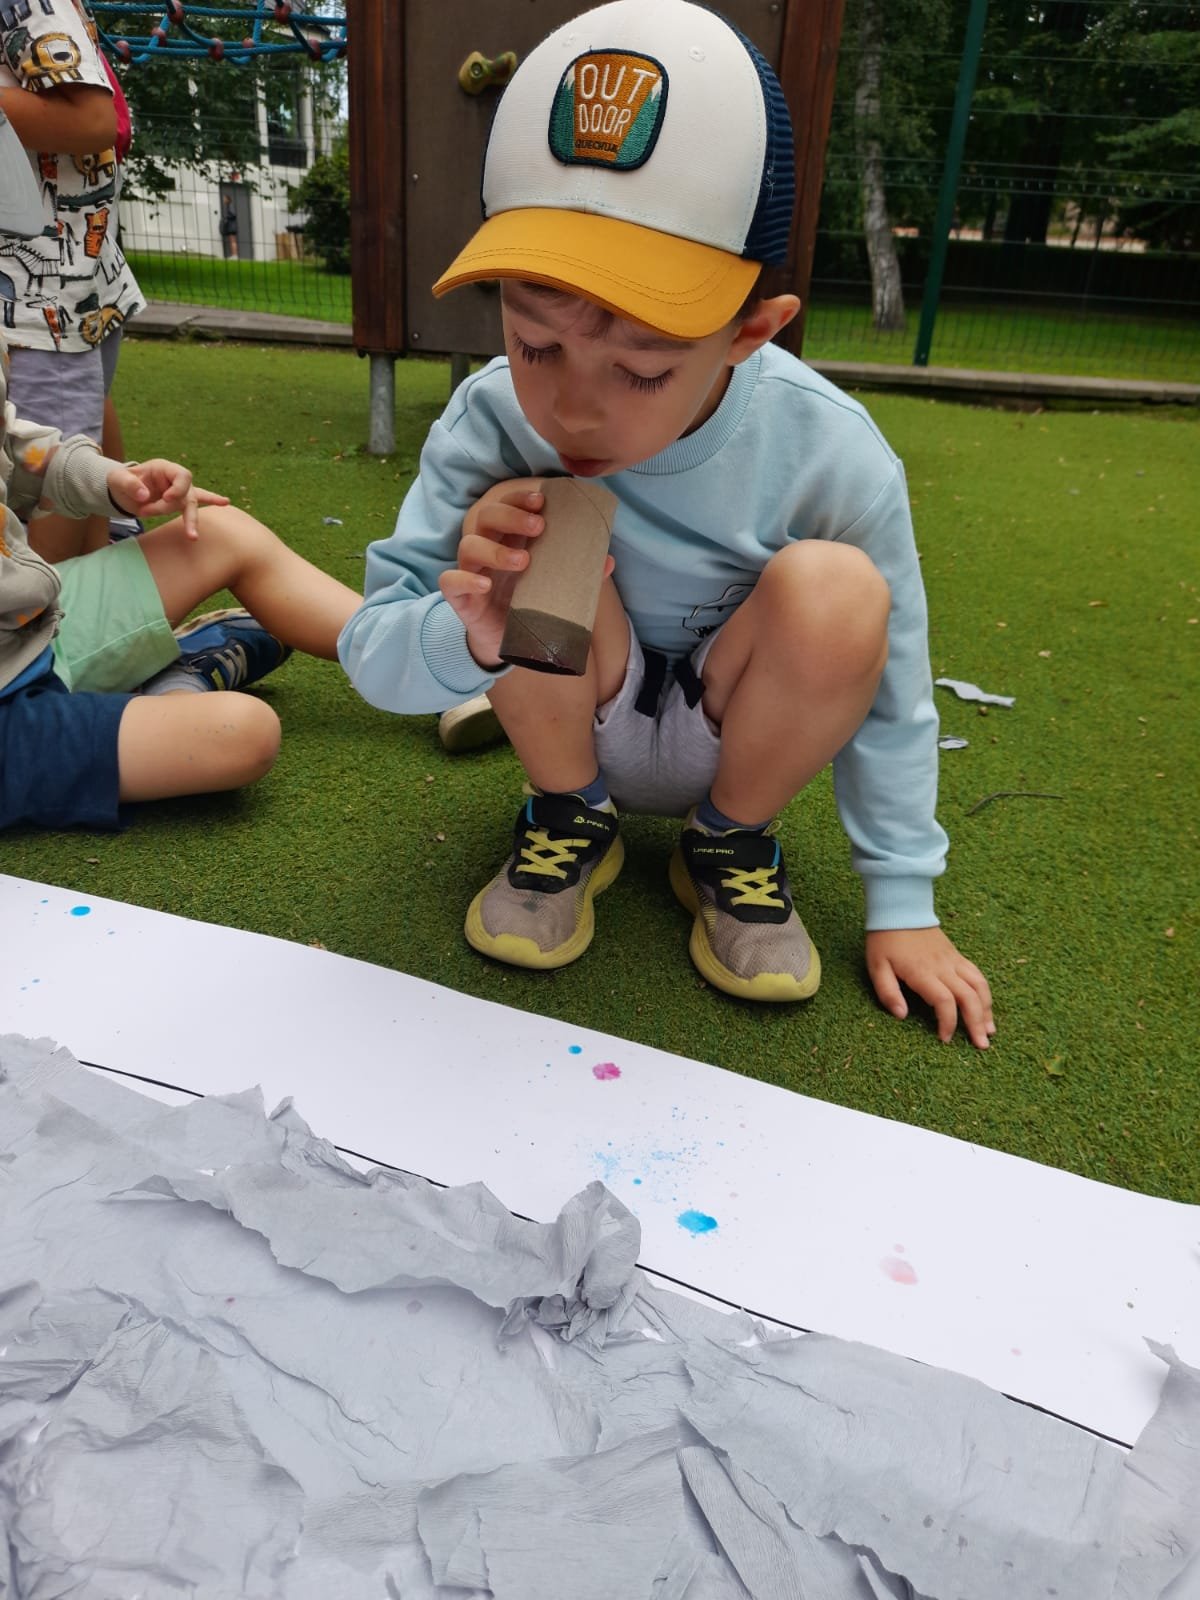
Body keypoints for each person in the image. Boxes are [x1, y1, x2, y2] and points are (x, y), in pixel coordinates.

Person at [338, 0, 995, 1048]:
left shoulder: (829, 447)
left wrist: (904, 899)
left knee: (839, 588)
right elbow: (373, 654)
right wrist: (469, 633)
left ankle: (727, 844)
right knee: (542, 525)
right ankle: (570, 816)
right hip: (569, 712)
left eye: (641, 368)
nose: (572, 408)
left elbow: (895, 689)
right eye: (533, 342)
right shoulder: (490, 420)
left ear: (751, 333)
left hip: (741, 735)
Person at [0, 107, 361, 833]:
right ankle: (182, 666)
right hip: (11, 709)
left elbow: (17, 442)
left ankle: (434, 663)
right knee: (241, 734)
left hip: (37, 619)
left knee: (219, 531)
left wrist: (110, 481)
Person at [0, 0, 145, 561]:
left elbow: (92, 122)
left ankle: (56, 614)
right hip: (52, 303)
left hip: (45, 306)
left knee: (47, 502)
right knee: (79, 488)